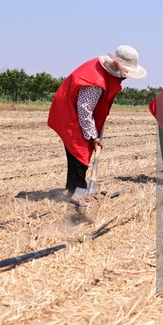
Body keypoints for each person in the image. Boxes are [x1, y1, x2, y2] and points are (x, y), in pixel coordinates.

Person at [47, 45, 147, 206]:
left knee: (77, 151)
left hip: (75, 108)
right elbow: (84, 109)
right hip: (69, 111)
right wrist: (93, 137)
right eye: (126, 72)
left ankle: (73, 190)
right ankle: (78, 193)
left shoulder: (103, 73)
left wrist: (95, 133)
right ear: (116, 67)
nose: (126, 77)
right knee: (80, 151)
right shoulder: (96, 81)